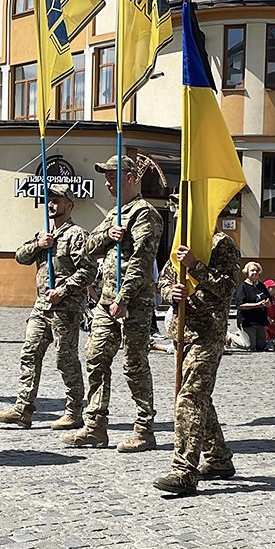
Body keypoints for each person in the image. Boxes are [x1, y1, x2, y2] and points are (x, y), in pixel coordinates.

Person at [63, 155, 163, 452]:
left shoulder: (144, 213)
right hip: (106, 300)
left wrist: (124, 297)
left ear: (130, 177)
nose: (107, 183)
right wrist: (108, 235)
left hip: (134, 303)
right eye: (105, 177)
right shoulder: (114, 214)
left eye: (112, 176)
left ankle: (144, 429)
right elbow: (89, 247)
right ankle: (95, 425)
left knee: (134, 364)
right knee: (96, 358)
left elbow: (141, 261)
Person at [0, 184, 96, 429]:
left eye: (57, 200)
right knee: (30, 353)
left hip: (66, 308)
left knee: (65, 359)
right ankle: (23, 409)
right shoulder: (44, 234)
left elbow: (88, 271)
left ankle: (74, 411)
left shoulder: (77, 235)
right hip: (41, 306)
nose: (51, 204)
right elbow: (21, 256)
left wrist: (63, 290)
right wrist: (38, 245)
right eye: (49, 200)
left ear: (69, 205)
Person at [152, 230, 241, 495]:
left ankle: (184, 471)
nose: (178, 212)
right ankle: (218, 458)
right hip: (183, 333)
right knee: (198, 396)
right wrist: (171, 292)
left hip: (208, 334)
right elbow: (164, 280)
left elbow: (228, 287)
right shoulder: (181, 238)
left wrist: (196, 267)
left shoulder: (221, 243)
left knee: (189, 398)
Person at [232, 261, 273, 351]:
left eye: (257, 271)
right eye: (252, 270)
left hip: (259, 321)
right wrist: (257, 305)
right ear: (247, 272)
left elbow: (269, 300)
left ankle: (243, 336)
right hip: (247, 322)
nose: (255, 272)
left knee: (261, 347)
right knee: (250, 346)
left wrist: (268, 303)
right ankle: (230, 337)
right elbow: (240, 305)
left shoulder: (261, 286)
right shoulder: (243, 287)